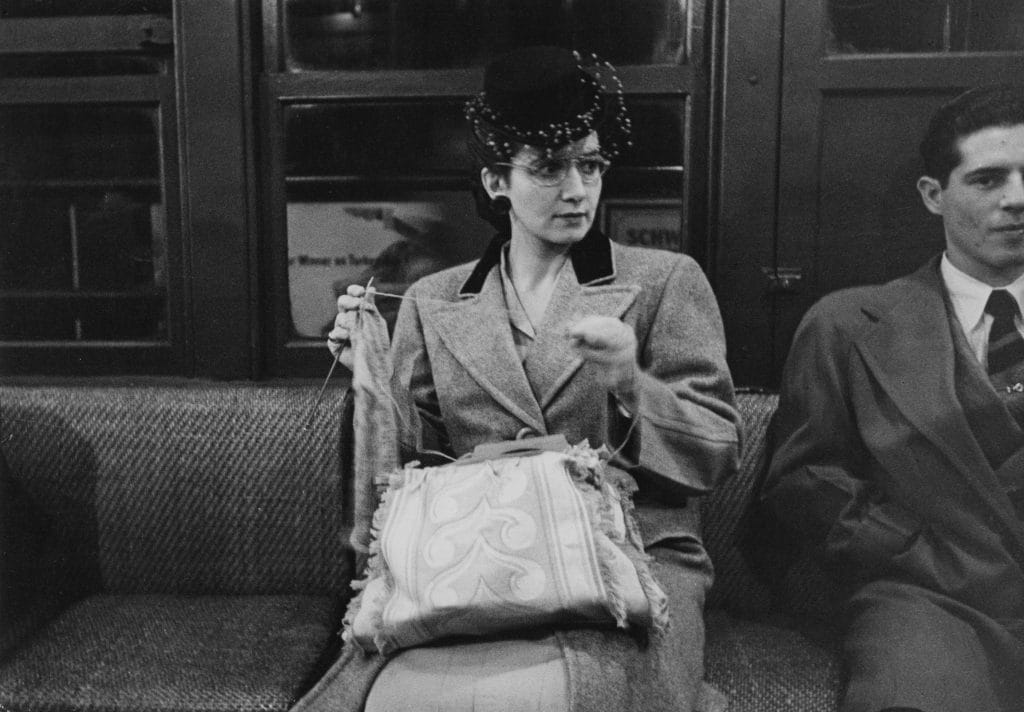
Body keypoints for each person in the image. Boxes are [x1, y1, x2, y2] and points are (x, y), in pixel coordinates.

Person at [294, 45, 741, 712]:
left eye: (589, 165)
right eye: (549, 168)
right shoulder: (433, 299)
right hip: (477, 555)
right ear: (497, 181)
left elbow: (716, 452)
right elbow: (413, 470)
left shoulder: (662, 282)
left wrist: (629, 381)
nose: (576, 190)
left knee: (596, 694)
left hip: (631, 559)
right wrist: (373, 379)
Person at [760, 85, 1024, 712]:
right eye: (988, 180)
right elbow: (803, 480)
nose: (1018, 199)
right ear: (934, 196)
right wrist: (916, 553)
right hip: (929, 600)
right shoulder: (849, 325)